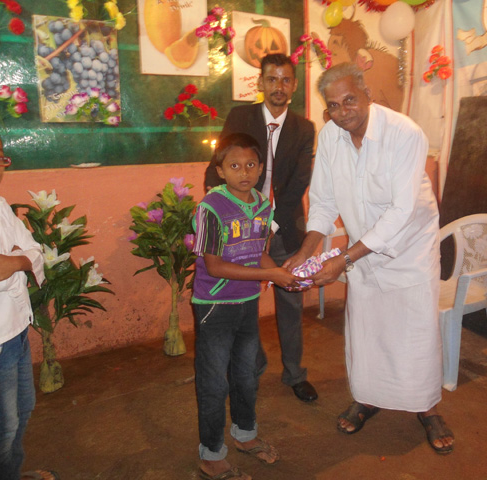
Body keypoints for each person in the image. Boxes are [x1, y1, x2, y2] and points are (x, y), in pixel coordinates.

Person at [285, 63, 455, 454]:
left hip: (409, 248)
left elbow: (401, 211)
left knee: (416, 333)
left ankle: (427, 408)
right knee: (367, 330)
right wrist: (305, 252)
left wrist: (344, 259)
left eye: (350, 100)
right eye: (333, 105)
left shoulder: (404, 133)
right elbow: (324, 202)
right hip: (362, 250)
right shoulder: (330, 137)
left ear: (367, 95)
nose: (343, 111)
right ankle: (368, 398)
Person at [204, 53, 318, 403]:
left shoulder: (304, 128)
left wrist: (269, 225)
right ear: (260, 83)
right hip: (239, 226)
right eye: (272, 79)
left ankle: (295, 373)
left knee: (291, 300)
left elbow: (298, 183)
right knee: (241, 298)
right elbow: (217, 166)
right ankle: (252, 364)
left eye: (285, 80)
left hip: (284, 226)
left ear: (294, 85)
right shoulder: (240, 117)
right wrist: (222, 213)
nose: (278, 86)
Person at [193, 133, 301, 480]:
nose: (244, 172)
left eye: (251, 165)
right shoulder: (211, 207)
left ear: (261, 168)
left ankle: (245, 434)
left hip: (247, 303)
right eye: (235, 166)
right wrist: (269, 274)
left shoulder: (263, 205)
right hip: (215, 306)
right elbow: (214, 266)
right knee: (214, 382)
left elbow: (258, 252)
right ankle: (211, 454)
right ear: (220, 170)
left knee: (246, 375)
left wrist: (281, 273)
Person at [0, 122, 58, 480]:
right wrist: (18, 261)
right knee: (0, 426)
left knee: (23, 410)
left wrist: (16, 260)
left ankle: (10, 473)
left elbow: (35, 252)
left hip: (17, 328)